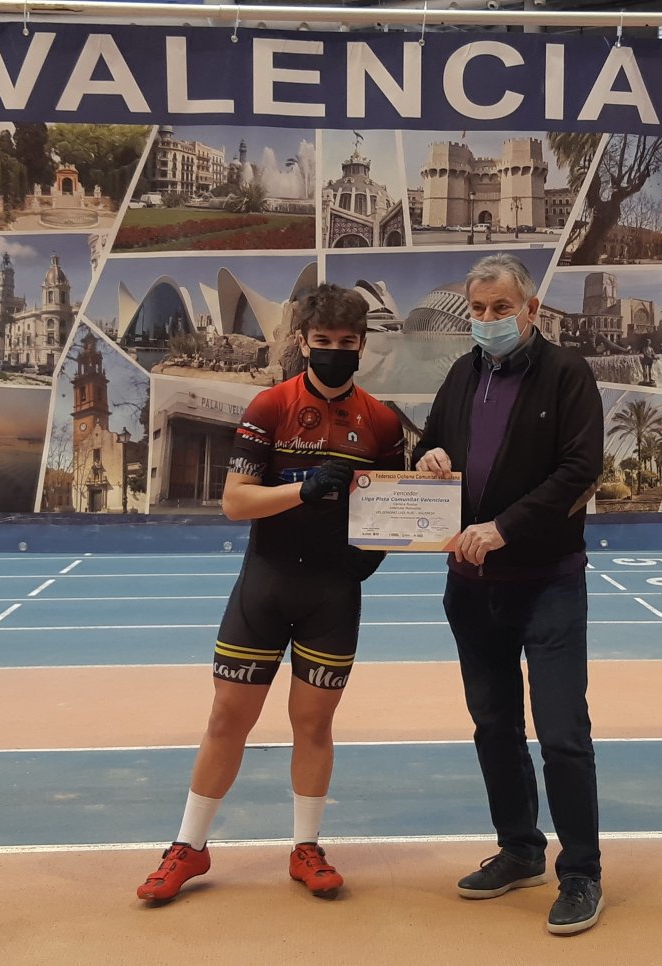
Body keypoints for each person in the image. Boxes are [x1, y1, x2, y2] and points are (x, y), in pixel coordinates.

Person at [137, 283, 405, 904]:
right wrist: (304, 490)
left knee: (313, 725)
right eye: (322, 340)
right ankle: (189, 845)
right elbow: (236, 502)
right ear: (302, 342)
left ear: (362, 344)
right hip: (267, 584)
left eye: (346, 341)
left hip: (333, 595)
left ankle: (306, 847)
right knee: (228, 718)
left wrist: (368, 559)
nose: (334, 350)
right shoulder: (270, 405)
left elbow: (393, 510)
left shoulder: (383, 421)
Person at [413, 253, 605, 935]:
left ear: (530, 309)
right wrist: (426, 458)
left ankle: (580, 873)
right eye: (479, 309)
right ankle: (520, 850)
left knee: (562, 734)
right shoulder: (461, 374)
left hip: (548, 584)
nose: (488, 319)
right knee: (494, 727)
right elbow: (430, 445)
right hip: (472, 588)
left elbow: (580, 469)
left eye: (501, 308)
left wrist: (504, 528)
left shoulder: (569, 374)